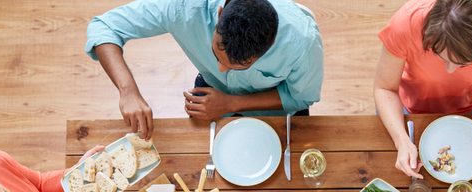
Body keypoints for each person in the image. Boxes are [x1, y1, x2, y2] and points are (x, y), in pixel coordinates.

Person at [86, 0, 324, 138]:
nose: (221, 70)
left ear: (269, 47)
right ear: (220, 14)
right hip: (210, 99)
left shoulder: (302, 41)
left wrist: (232, 103)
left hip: (274, 111)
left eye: (237, 66)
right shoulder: (181, 6)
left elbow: (301, 97)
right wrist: (128, 91)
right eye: (216, 55)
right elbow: (104, 27)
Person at [374, 0, 472, 178]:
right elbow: (385, 88)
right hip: (409, 104)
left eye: (462, 64)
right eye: (439, 55)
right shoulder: (405, 24)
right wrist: (401, 141)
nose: (449, 71)